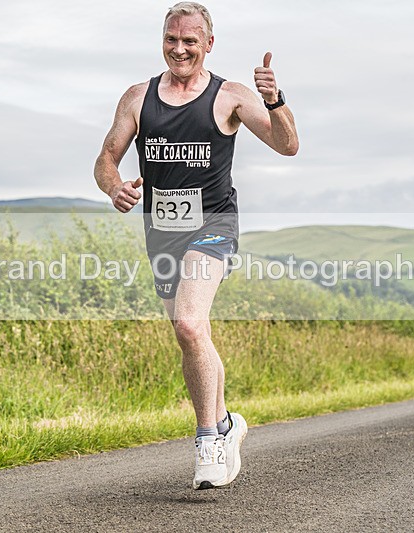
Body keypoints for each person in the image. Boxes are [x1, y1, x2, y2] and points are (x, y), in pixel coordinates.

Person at [93, 1, 299, 489]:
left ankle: (208, 437)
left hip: (214, 224)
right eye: (171, 39)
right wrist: (112, 186)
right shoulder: (138, 98)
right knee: (193, 333)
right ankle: (226, 424)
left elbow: (287, 145)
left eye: (190, 40)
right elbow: (105, 157)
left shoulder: (230, 95)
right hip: (162, 230)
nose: (179, 48)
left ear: (208, 43)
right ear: (162, 40)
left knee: (189, 321)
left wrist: (275, 100)